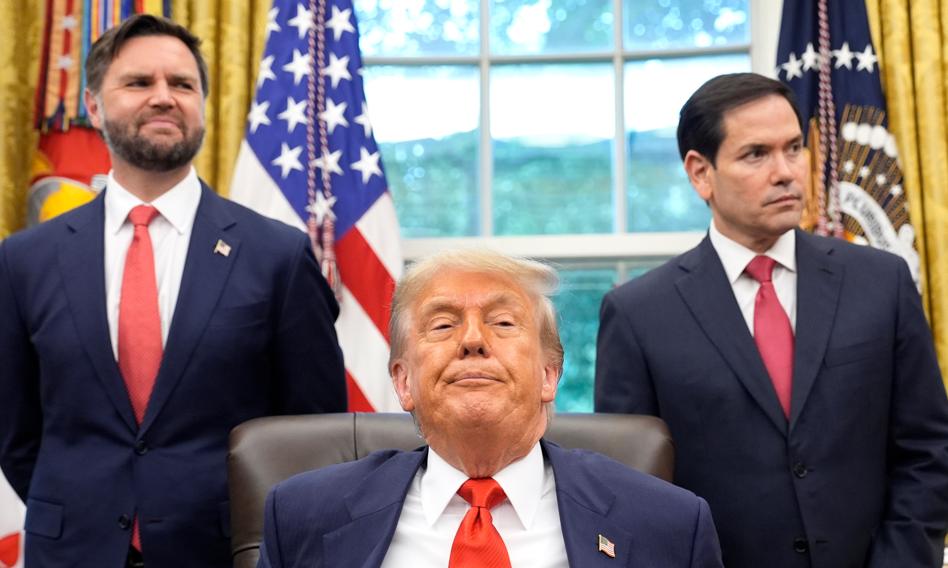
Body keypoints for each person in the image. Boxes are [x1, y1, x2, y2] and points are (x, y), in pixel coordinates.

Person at [0, 14, 347, 567]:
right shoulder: (25, 260)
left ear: (202, 104)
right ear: (93, 106)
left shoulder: (277, 256)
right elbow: (15, 431)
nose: (164, 97)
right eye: (139, 82)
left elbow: (312, 431)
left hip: (225, 551)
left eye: (182, 84)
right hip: (71, 551)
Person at [595, 72, 948, 568]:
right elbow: (631, 487)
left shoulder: (881, 282)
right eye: (756, 154)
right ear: (700, 173)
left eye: (794, 148)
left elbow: (928, 450)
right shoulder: (638, 314)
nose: (786, 172)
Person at [256, 248, 724, 568]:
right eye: (443, 325)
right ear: (403, 382)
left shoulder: (669, 525)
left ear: (549, 374)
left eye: (502, 322)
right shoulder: (302, 517)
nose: (473, 340)